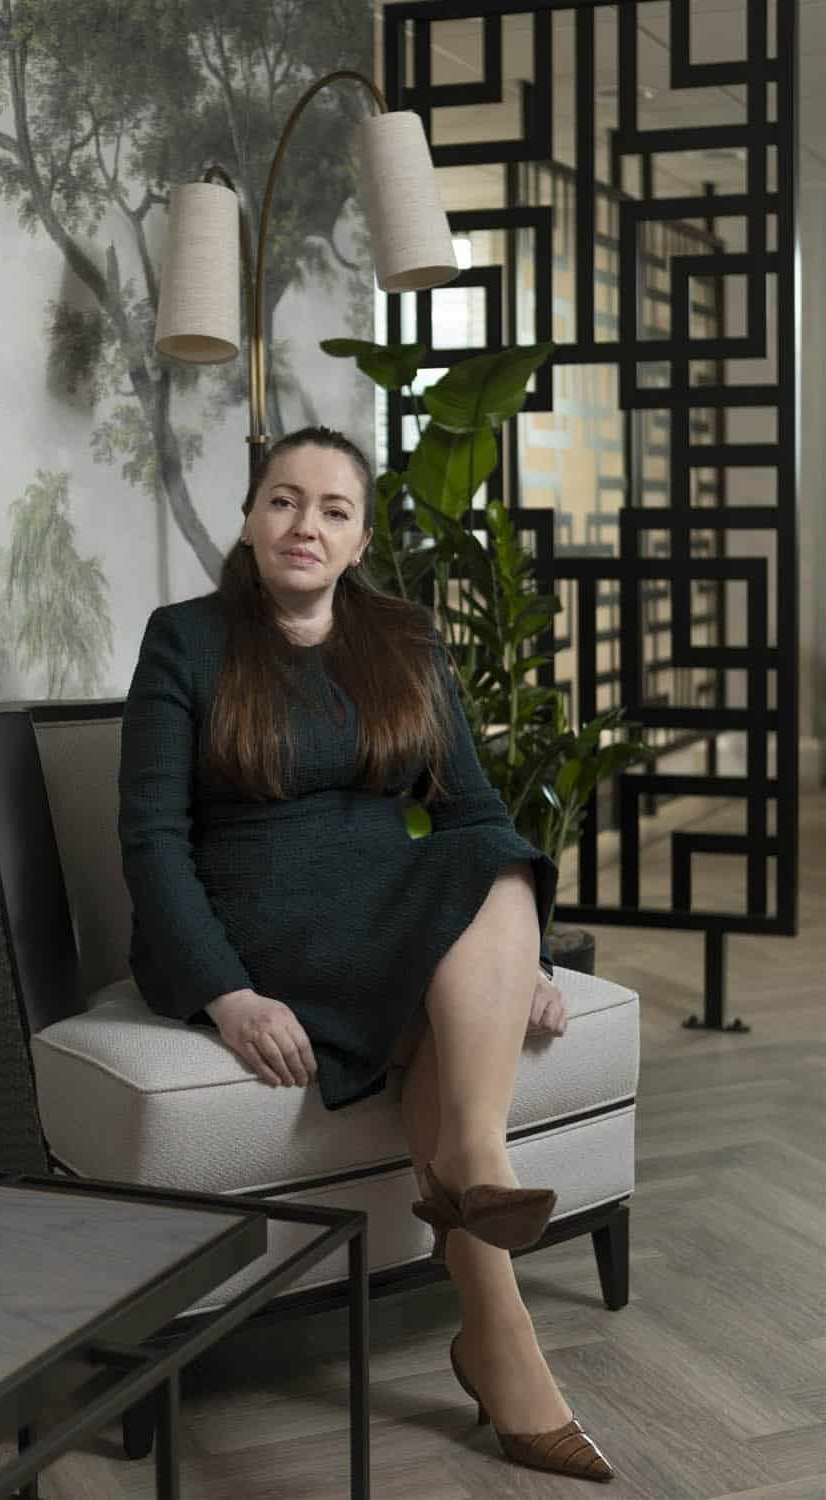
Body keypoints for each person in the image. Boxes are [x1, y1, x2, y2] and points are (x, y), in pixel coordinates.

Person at [118, 425, 615, 1483]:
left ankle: (479, 1199)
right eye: (283, 502)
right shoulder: (185, 638)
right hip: (253, 914)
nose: (305, 525)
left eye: (332, 510)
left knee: (495, 854)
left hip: (380, 900)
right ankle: (500, 1337)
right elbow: (152, 840)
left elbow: (473, 813)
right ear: (250, 521)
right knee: (446, 975)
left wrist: (517, 962)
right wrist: (227, 995)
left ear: (358, 540)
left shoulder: (405, 637)